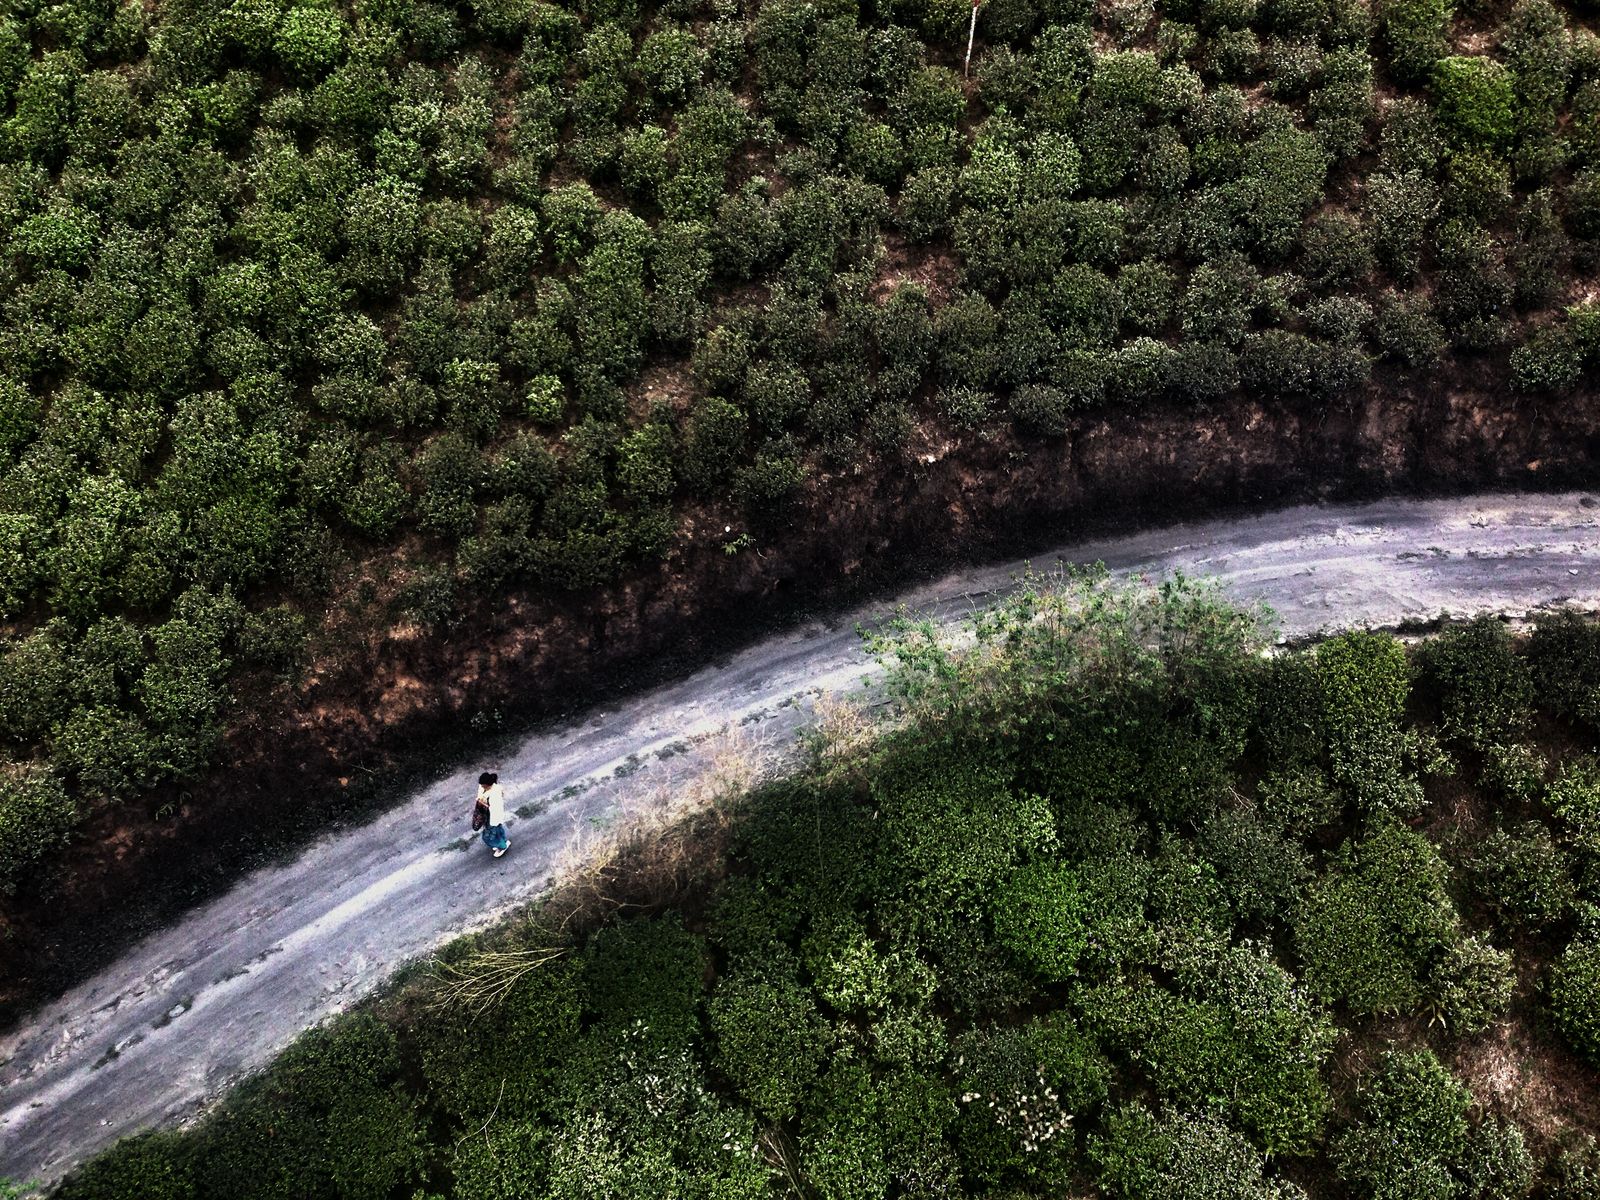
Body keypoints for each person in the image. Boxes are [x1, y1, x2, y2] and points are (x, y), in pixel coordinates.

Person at [477, 771, 510, 858]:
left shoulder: (494, 793)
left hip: (493, 817)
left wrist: (481, 803)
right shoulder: (497, 787)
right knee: (498, 829)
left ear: (488, 785)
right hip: (496, 816)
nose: (481, 786)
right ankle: (503, 841)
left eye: (483, 785)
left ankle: (502, 847)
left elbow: (492, 807)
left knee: (488, 836)